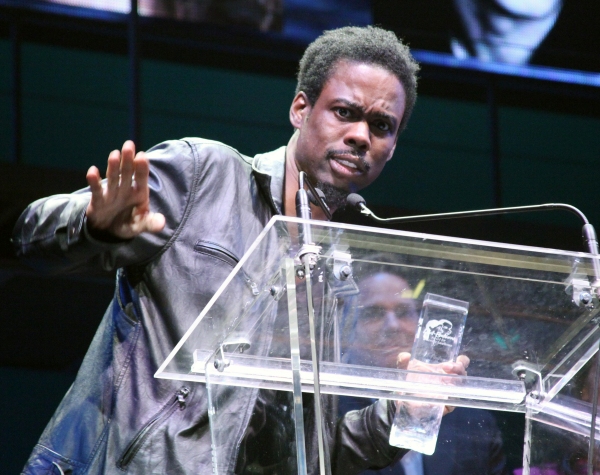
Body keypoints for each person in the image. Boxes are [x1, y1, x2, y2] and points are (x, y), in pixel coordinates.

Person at [13, 26, 469, 475]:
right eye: (344, 112)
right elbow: (31, 234)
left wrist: (399, 411)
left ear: (392, 148)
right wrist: (95, 227)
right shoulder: (204, 176)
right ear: (300, 108)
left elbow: (307, 453)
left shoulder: (340, 273)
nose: (360, 135)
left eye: (381, 125)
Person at [340, 271, 507, 475]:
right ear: (348, 327)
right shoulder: (327, 417)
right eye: (374, 313)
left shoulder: (475, 424)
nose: (392, 325)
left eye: (403, 312)